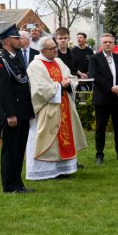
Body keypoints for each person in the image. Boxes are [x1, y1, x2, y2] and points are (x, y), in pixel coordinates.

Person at [25, 37, 87, 180]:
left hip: (63, 105)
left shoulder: (58, 61)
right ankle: (44, 171)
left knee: (64, 137)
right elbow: (39, 89)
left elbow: (70, 76)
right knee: (47, 138)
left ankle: (63, 169)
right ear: (43, 50)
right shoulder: (35, 66)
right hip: (47, 109)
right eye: (52, 48)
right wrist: (60, 85)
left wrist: (69, 81)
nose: (56, 50)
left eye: (55, 47)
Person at [0, 24, 34, 193]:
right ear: (7, 41)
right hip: (13, 113)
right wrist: (10, 114)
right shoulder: (1, 61)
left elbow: (24, 84)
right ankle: (9, 186)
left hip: (23, 111)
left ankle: (18, 183)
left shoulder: (16, 58)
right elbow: (3, 90)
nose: (20, 40)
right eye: (17, 38)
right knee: (11, 150)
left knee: (19, 149)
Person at [88, 33, 118, 164]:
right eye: (105, 42)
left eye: (110, 42)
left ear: (114, 43)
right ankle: (99, 155)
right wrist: (112, 88)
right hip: (102, 98)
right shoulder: (95, 58)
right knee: (100, 128)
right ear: (101, 44)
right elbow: (96, 76)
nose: (107, 44)